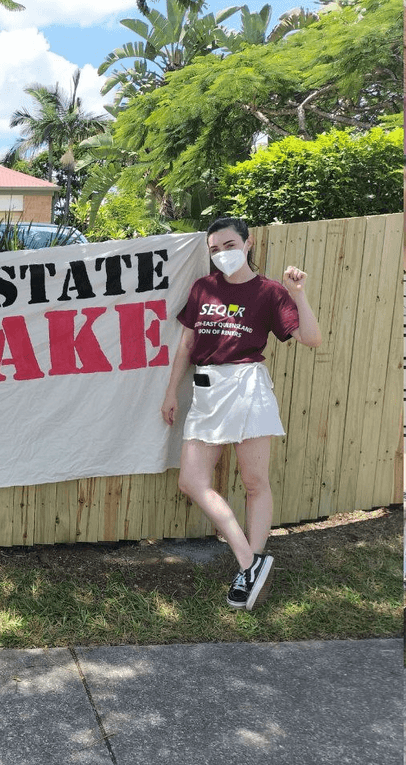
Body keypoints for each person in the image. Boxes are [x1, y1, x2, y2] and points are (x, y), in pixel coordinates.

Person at [161, 217, 321, 611]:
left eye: (229, 245)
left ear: (248, 244)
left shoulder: (270, 291)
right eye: (214, 249)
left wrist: (298, 293)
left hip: (248, 387)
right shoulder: (203, 288)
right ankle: (250, 562)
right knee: (192, 480)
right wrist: (170, 392)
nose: (222, 255)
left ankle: (249, 568)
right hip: (206, 390)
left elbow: (311, 339)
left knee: (254, 482)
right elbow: (186, 345)